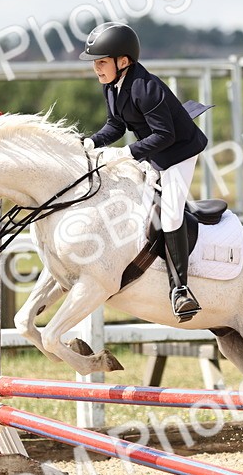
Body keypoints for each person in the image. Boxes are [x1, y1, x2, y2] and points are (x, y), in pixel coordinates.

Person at [79, 22, 207, 322]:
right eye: (95, 63)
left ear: (123, 61)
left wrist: (127, 153)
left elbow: (166, 136)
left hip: (180, 150)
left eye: (101, 62)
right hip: (155, 149)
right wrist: (92, 141)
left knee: (172, 213)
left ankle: (181, 290)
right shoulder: (112, 86)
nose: (96, 69)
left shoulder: (146, 88)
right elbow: (116, 125)